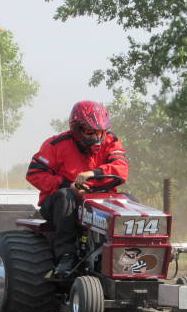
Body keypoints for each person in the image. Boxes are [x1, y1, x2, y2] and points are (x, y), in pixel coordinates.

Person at [26, 101, 129, 275]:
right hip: (60, 202)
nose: (97, 137)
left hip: (99, 200)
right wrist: (67, 185)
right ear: (76, 128)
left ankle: (128, 255)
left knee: (128, 201)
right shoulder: (56, 145)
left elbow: (121, 169)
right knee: (66, 196)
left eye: (101, 132)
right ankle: (66, 256)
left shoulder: (111, 141)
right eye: (90, 132)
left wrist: (94, 173)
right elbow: (34, 173)